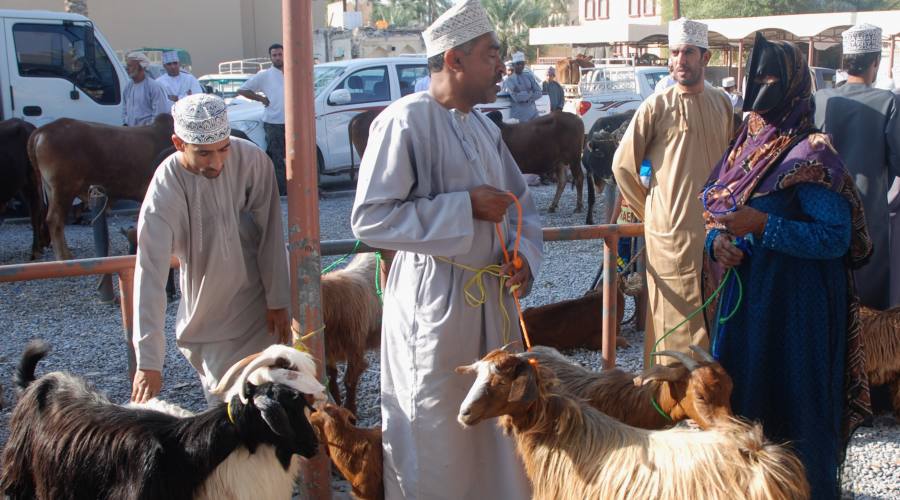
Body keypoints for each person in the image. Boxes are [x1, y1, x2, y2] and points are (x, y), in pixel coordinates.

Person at [350, 0, 542, 497]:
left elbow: (521, 205)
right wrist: (464, 208)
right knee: (434, 431)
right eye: (491, 55)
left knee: (497, 432)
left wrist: (522, 257)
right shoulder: (404, 121)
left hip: (492, 302)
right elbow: (371, 219)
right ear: (454, 60)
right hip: (433, 306)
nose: (503, 67)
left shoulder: (483, 127)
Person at [702, 33, 872, 500]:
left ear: (795, 82)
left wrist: (765, 225)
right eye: (756, 76)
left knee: (795, 413)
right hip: (746, 306)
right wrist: (718, 242)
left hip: (798, 314)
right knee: (744, 406)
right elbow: (715, 214)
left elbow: (836, 238)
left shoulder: (811, 154)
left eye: (773, 76)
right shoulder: (746, 143)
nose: (762, 85)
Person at [130, 93, 290, 405]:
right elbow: (150, 272)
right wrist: (148, 360)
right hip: (209, 318)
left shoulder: (252, 160)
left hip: (261, 309)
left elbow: (271, 233)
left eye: (223, 149)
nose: (216, 162)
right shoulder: (165, 188)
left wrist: (279, 300)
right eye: (203, 154)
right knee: (228, 411)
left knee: (276, 404)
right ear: (179, 144)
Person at [612, 18, 733, 364]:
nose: (680, 60)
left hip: (716, 231)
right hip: (671, 232)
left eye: (688, 53)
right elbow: (623, 165)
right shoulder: (656, 105)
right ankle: (670, 402)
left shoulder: (722, 103)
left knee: (715, 315)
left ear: (705, 58)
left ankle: (709, 400)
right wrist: (652, 210)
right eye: (675, 52)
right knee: (674, 323)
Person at [814, 23, 900, 310]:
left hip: (822, 215)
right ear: (875, 63)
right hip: (868, 219)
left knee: (827, 302)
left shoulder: (822, 99)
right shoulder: (888, 103)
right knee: (866, 312)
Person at [238, 43, 287, 195]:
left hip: (294, 122)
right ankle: (282, 191)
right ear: (270, 57)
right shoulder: (264, 75)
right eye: (275, 55)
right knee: (277, 157)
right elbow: (243, 89)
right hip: (274, 122)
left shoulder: (294, 71)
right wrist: (260, 98)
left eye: (280, 54)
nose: (278, 57)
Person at [122, 51, 171, 127]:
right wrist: (125, 123)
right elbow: (124, 109)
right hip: (131, 132)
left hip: (148, 133)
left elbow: (159, 115)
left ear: (141, 67)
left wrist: (148, 128)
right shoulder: (128, 87)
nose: (127, 68)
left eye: (130, 66)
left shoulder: (154, 87)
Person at [500, 51, 542, 122]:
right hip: (520, 116)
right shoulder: (509, 80)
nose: (520, 66)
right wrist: (531, 92)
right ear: (513, 65)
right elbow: (517, 98)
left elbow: (539, 92)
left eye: (522, 64)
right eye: (518, 64)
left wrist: (524, 94)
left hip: (534, 114)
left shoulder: (529, 76)